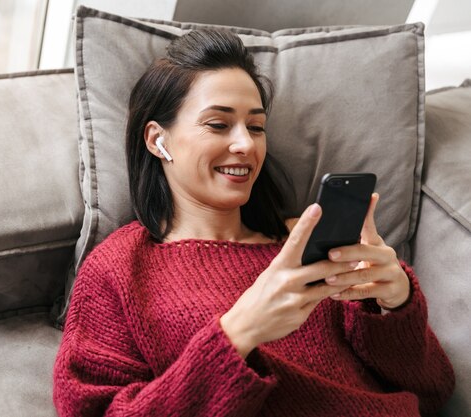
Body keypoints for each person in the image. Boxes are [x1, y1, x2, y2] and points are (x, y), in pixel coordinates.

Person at [53, 29, 454, 416]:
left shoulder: (305, 242)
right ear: (158, 139)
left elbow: (433, 391)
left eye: (256, 127)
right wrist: (239, 333)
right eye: (218, 124)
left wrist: (396, 305)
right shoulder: (118, 270)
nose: (246, 144)